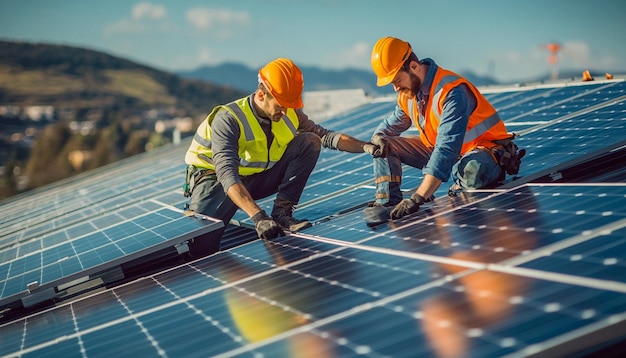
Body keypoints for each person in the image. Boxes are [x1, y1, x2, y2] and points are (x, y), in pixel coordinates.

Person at [184, 57, 378, 251]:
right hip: (215, 183)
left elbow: (325, 136)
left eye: (288, 105)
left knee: (309, 141)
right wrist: (258, 217)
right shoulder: (228, 119)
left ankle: (282, 214)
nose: (285, 112)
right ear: (261, 95)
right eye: (280, 105)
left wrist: (365, 147)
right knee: (202, 247)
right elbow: (227, 175)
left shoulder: (290, 113)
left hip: (252, 179)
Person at [363, 37, 524, 226]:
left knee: (472, 171)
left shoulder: (451, 92)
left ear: (413, 66)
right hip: (445, 154)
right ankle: (388, 202)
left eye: (397, 79)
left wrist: (418, 197)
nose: (396, 87)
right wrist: (378, 137)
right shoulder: (407, 95)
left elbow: (446, 150)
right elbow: (389, 127)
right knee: (382, 143)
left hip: (482, 152)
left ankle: (455, 180)